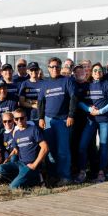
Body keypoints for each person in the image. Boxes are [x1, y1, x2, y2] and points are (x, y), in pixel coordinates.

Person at [0, 108, 48, 190]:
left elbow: (45, 147)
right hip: (20, 163)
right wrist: (7, 160)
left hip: (30, 165)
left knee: (12, 187)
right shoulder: (16, 133)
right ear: (14, 120)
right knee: (1, 168)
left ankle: (36, 179)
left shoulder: (33, 129)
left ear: (26, 118)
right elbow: (15, 150)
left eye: (22, 118)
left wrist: (34, 165)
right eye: (17, 119)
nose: (19, 121)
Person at [37, 57, 76, 186]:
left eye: (57, 66)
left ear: (60, 68)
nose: (55, 69)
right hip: (48, 121)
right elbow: (41, 102)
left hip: (63, 120)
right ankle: (52, 176)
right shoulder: (45, 84)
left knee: (63, 150)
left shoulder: (67, 81)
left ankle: (65, 177)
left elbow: (73, 98)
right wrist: (41, 118)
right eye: (52, 66)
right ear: (48, 68)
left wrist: (71, 115)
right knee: (50, 151)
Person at [77, 62, 108, 184]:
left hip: (105, 120)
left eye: (99, 70)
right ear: (91, 73)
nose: (97, 72)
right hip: (91, 120)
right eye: (95, 70)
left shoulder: (107, 84)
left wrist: (100, 112)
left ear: (102, 72)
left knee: (104, 146)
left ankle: (101, 173)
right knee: (82, 145)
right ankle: (82, 172)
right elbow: (79, 102)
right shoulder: (87, 85)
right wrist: (89, 109)